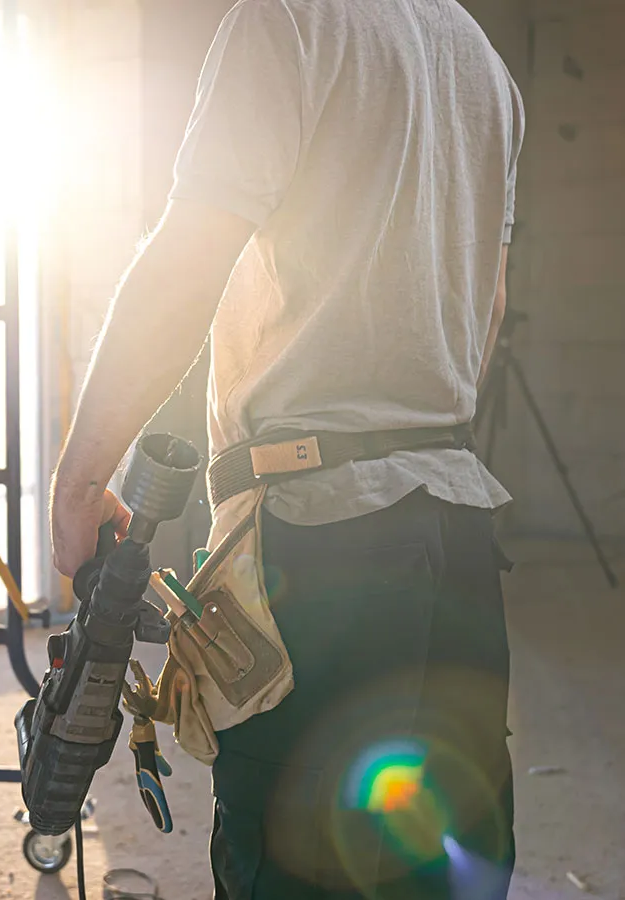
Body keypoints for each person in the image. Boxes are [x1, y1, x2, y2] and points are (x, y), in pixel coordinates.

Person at [51, 0, 525, 897]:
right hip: (457, 526)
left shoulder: (289, 23)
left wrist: (81, 480)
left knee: (297, 865)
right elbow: (486, 305)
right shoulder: (480, 60)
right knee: (449, 861)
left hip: (320, 542)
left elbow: (187, 265)